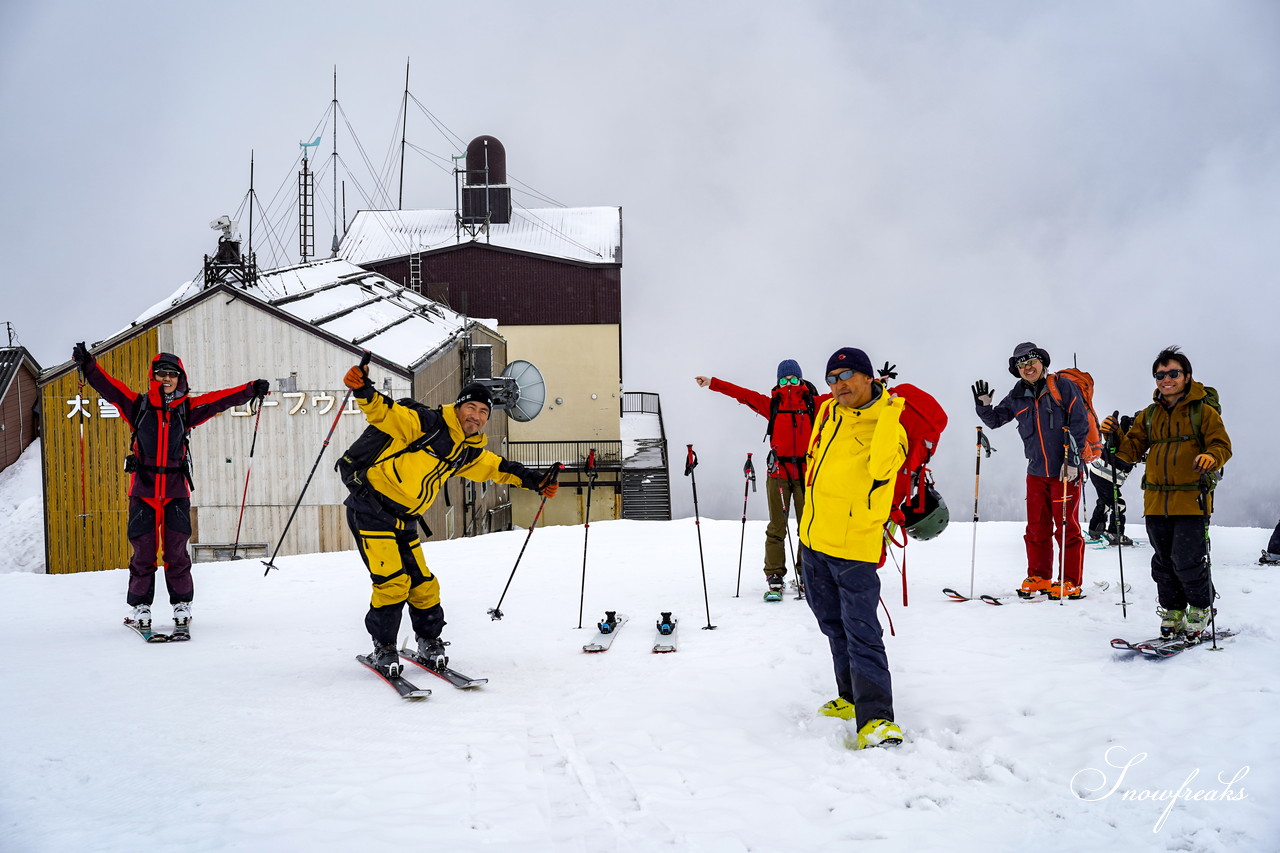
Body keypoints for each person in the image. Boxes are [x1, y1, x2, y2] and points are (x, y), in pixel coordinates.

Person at [341, 362, 559, 677]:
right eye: (471, 407)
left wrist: (536, 481)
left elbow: (497, 468)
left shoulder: (464, 450)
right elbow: (386, 413)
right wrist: (363, 389)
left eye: (484, 412)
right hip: (369, 510)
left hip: (404, 519)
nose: (477, 415)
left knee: (424, 585)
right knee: (392, 583)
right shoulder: (425, 423)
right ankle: (384, 646)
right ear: (458, 407)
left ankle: (429, 641)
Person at [71, 343, 267, 632]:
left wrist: (251, 388)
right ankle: (141, 607)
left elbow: (220, 400)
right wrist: (88, 364)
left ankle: (181, 605)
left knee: (176, 553)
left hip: (176, 491)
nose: (167, 379)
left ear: (180, 378)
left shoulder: (187, 409)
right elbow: (109, 387)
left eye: (172, 375)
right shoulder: (137, 406)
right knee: (143, 553)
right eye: (161, 373)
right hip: (143, 492)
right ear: (153, 377)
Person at [798, 347, 907, 750]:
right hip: (813, 541)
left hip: (854, 550)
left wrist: (892, 409)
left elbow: (882, 469)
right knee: (833, 626)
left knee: (862, 633)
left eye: (847, 376)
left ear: (867, 378)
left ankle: (877, 719)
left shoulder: (889, 424)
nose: (839, 385)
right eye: (832, 378)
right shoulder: (829, 415)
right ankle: (849, 697)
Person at [1103, 346, 1231, 640]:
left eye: (1173, 373)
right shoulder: (1150, 414)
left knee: (1187, 560)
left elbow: (1222, 445)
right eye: (1160, 375)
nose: (1166, 379)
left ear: (1187, 376)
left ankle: (1201, 607)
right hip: (1156, 500)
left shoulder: (1203, 411)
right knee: (1162, 561)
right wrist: (1113, 436)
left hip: (1191, 500)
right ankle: (1173, 610)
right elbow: (1129, 452)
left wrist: (1212, 457)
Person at [694, 361, 829, 597]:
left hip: (807, 472)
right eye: (784, 380)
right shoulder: (771, 405)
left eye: (794, 380)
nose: (789, 384)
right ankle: (775, 574)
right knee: (777, 526)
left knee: (808, 527)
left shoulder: (813, 404)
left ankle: (807, 572)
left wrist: (877, 385)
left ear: (801, 380)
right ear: (778, 381)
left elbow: (842, 395)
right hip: (778, 472)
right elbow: (743, 395)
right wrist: (713, 383)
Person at [972, 342, 1091, 599]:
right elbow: (995, 420)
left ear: (1042, 363)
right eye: (1021, 365)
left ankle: (1070, 580)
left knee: (1066, 527)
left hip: (1064, 471)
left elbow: (1079, 423)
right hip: (1036, 472)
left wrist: (1072, 462)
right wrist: (983, 406)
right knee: (1036, 527)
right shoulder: (1017, 395)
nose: (1027, 368)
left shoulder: (1062, 387)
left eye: (1031, 362)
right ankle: (1040, 576)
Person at [1086, 416, 1136, 546]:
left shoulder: (1132, 439)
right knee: (1118, 505)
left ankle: (1095, 529)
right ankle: (1115, 534)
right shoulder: (1126, 437)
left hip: (1099, 473)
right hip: (1105, 475)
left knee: (1105, 502)